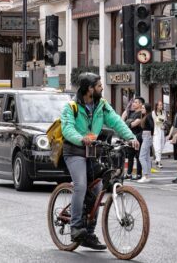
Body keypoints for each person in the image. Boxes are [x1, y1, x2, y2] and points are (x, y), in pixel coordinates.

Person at [60, 73, 137, 250]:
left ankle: (89, 233)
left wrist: (131, 137)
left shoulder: (101, 105)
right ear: (90, 89)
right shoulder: (71, 107)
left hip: (92, 151)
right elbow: (67, 129)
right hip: (74, 151)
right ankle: (76, 227)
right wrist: (81, 139)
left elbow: (116, 121)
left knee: (97, 188)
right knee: (80, 185)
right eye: (99, 85)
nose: (102, 88)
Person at [123, 98, 145, 180]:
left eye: (136, 102)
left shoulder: (141, 114)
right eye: (133, 102)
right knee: (130, 156)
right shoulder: (132, 113)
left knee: (138, 156)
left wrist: (127, 124)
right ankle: (129, 173)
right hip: (131, 137)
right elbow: (125, 122)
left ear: (140, 104)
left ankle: (139, 174)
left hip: (138, 136)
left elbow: (133, 125)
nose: (133, 104)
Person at [136, 101, 154, 184]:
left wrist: (150, 135)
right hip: (147, 136)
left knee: (141, 157)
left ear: (147, 109)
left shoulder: (148, 116)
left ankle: (145, 175)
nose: (142, 109)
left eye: (143, 108)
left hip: (147, 136)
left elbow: (151, 126)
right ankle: (147, 176)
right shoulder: (146, 116)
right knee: (146, 157)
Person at [151, 101, 167, 169]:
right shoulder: (153, 112)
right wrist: (162, 121)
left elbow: (165, 120)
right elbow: (156, 121)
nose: (161, 106)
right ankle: (159, 162)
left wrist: (163, 124)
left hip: (162, 131)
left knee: (162, 146)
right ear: (156, 106)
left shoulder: (163, 112)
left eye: (161, 105)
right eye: (159, 105)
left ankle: (157, 160)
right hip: (156, 131)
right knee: (158, 148)